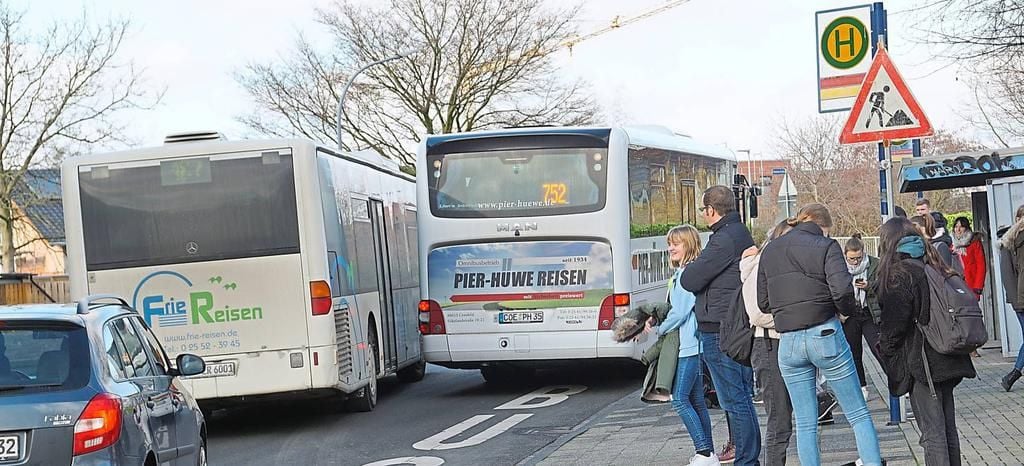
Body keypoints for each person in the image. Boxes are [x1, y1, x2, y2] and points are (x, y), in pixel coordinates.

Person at [757, 203, 882, 466]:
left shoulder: (771, 250)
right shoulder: (827, 247)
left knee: (805, 422)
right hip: (824, 333)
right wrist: (843, 313)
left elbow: (763, 302)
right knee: (857, 413)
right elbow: (843, 291)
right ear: (823, 227)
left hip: (788, 341)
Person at [876, 217, 976, 466]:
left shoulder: (899, 273)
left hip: (923, 363)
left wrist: (885, 350)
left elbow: (894, 326)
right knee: (947, 428)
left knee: (932, 434)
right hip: (949, 353)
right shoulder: (934, 261)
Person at [680, 185, 760, 466]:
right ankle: (748, 457)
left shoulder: (723, 239)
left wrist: (690, 269)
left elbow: (690, 279)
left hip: (720, 328)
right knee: (739, 396)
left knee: (734, 399)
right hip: (734, 324)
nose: (704, 214)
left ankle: (747, 460)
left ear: (711, 210)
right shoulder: (737, 233)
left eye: (704, 209)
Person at [660, 225, 719, 466]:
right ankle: (708, 453)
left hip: (688, 346)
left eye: (677, 243)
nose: (671, 248)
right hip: (692, 344)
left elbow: (680, 311)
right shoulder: (683, 273)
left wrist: (658, 328)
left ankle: (704, 452)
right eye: (670, 243)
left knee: (679, 399)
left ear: (690, 245)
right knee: (695, 398)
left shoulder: (686, 275)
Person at [741, 220, 792, 466]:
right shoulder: (759, 265)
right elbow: (757, 313)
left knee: (791, 419)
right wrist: (795, 317)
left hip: (785, 343)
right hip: (768, 345)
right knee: (779, 420)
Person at [842, 235, 883, 400]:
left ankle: (896, 380)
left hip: (869, 312)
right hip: (850, 314)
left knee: (878, 347)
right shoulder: (839, 267)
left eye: (858, 258)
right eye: (851, 259)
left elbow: (883, 285)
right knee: (854, 352)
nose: (855, 262)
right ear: (845, 255)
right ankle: (861, 386)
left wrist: (869, 286)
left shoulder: (875, 264)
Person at [999, 206, 1024, 391]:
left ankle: (1012, 375)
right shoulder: (1009, 243)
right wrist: (1017, 302)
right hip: (1020, 300)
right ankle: (1013, 374)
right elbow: (1008, 276)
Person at [952, 217, 986, 298]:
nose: (958, 229)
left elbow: (981, 265)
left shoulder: (974, 242)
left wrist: (978, 286)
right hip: (956, 285)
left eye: (961, 227)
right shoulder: (952, 245)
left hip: (971, 284)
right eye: (956, 226)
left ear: (966, 228)